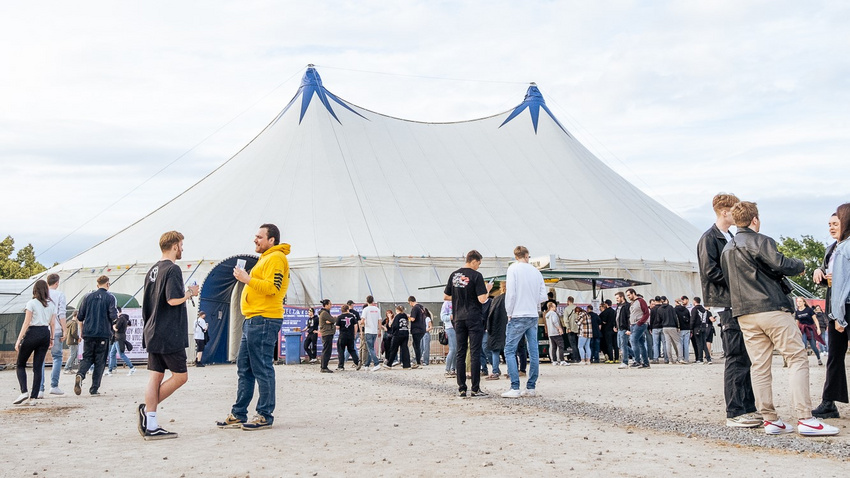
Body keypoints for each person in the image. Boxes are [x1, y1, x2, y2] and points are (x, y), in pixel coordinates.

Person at [721, 201, 837, 436]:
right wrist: (801, 265)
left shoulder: (727, 248)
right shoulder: (760, 240)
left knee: (760, 366)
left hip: (745, 313)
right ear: (755, 220)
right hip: (771, 308)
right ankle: (805, 418)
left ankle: (770, 419)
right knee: (796, 358)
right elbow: (780, 263)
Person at [216, 224, 290, 431]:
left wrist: (247, 279)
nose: (255, 240)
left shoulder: (276, 258)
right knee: (245, 369)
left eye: (259, 237)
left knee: (262, 367)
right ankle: (239, 413)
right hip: (254, 319)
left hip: (264, 319)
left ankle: (265, 415)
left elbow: (273, 288)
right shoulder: (266, 259)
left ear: (272, 240)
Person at [698, 193, 761, 429]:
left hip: (738, 302)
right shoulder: (709, 238)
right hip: (725, 303)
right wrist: (740, 281)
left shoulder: (730, 236)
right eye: (734, 210)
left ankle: (747, 407)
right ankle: (734, 411)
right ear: (724, 212)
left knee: (744, 357)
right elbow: (710, 271)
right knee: (735, 356)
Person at [138, 232, 198, 440]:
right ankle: (147, 411)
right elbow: (172, 300)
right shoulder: (173, 269)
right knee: (181, 376)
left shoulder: (152, 270)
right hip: (168, 331)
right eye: (181, 245)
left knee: (155, 375)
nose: (182, 249)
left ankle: (151, 423)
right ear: (174, 246)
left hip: (152, 329)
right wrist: (190, 293)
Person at [444, 250, 493, 398]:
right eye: (478, 263)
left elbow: (446, 296)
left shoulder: (454, 275)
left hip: (458, 318)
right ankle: (475, 388)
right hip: (473, 317)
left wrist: (459, 295)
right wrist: (488, 290)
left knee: (460, 351)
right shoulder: (476, 276)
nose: (478, 266)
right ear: (473, 261)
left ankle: (461, 388)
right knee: (475, 352)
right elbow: (482, 299)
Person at [814, 208, 848, 419]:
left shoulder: (847, 248)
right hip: (835, 307)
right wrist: (818, 270)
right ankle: (829, 402)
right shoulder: (832, 249)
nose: (831, 227)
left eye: (835, 223)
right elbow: (827, 270)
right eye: (829, 224)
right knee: (834, 356)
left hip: (846, 305)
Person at [501, 245, 546, 398]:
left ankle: (515, 387)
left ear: (516, 256)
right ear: (527, 256)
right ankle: (531, 387)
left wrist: (509, 312)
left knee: (509, 350)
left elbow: (511, 293)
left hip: (518, 313)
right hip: (532, 314)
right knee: (533, 352)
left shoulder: (513, 269)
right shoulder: (536, 272)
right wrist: (532, 301)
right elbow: (543, 296)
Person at [13, 280, 56, 405]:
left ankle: (24, 391)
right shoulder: (51, 305)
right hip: (45, 333)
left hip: (33, 332)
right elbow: (52, 323)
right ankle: (33, 397)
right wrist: (52, 338)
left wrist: (19, 340)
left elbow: (26, 323)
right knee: (38, 367)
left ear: (35, 290)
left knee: (20, 364)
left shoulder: (31, 303)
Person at [75, 275, 117, 397]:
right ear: (108, 284)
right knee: (100, 361)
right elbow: (113, 315)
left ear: (97, 285)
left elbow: (80, 317)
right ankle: (94, 388)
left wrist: (82, 331)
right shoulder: (110, 297)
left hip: (88, 333)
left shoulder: (87, 297)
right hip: (103, 333)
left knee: (87, 357)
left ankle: (80, 374)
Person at [43, 273, 67, 396]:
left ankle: (40, 388)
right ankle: (54, 385)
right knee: (57, 357)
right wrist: (65, 330)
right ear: (57, 283)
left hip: (42, 328)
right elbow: (61, 314)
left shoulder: (41, 294)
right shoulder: (60, 295)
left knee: (40, 359)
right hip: (56, 329)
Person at [486, 282, 508, 380]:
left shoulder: (497, 299)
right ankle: (511, 371)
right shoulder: (514, 300)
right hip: (509, 328)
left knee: (495, 351)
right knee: (510, 351)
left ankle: (495, 371)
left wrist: (489, 328)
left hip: (496, 329)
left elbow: (490, 316)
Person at [794, 298, 823, 365]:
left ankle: (819, 358)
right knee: (803, 344)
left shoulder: (809, 310)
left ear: (804, 302)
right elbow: (797, 322)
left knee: (813, 346)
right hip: (803, 330)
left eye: (800, 301)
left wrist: (818, 328)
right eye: (797, 301)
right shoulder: (797, 311)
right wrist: (796, 331)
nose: (798, 303)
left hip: (810, 329)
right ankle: (803, 360)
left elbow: (815, 320)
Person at [108, 308, 137, 375]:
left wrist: (113, 326)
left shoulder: (121, 319)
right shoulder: (124, 320)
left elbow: (116, 329)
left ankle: (132, 367)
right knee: (112, 354)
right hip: (117, 338)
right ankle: (110, 370)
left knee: (121, 354)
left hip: (118, 339)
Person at [626, 289, 650, 368]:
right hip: (633, 324)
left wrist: (640, 322)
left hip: (639, 324)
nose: (628, 297)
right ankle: (646, 363)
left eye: (629, 295)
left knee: (633, 340)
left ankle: (637, 361)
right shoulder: (632, 303)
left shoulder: (641, 301)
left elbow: (646, 312)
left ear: (633, 293)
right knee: (641, 343)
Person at [335, 304, 361, 371]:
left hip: (342, 336)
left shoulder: (340, 317)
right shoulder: (352, 316)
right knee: (351, 350)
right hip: (350, 336)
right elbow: (356, 325)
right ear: (347, 309)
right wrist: (354, 334)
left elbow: (337, 327)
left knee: (341, 351)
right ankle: (357, 362)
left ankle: (341, 366)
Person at [386, 305, 411, 369]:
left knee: (393, 349)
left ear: (397, 310)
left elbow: (394, 325)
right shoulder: (405, 316)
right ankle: (407, 364)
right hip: (405, 333)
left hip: (397, 334)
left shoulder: (397, 316)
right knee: (405, 349)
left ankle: (389, 364)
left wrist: (393, 332)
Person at [658, 296, 681, 364]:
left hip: (664, 327)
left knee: (668, 344)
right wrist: (678, 326)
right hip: (672, 326)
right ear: (666, 300)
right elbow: (675, 317)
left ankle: (670, 360)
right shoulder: (670, 307)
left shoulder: (659, 309)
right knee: (678, 342)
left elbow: (659, 319)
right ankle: (680, 358)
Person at [361, 296, 382, 370]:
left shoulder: (365, 309)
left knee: (370, 348)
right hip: (374, 331)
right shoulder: (377, 309)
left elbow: (362, 320)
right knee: (371, 348)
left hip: (368, 331)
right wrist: (379, 330)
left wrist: (361, 324)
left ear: (366, 301)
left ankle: (376, 363)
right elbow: (379, 321)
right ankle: (367, 364)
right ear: (373, 301)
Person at [691, 298, 712, 364]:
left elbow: (693, 320)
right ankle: (708, 359)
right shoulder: (704, 310)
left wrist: (691, 329)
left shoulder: (694, 309)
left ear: (694, 301)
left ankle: (700, 359)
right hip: (704, 327)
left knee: (699, 344)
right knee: (704, 344)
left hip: (697, 328)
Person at [317, 300, 336, 372]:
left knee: (326, 350)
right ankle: (324, 367)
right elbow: (333, 320)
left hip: (328, 333)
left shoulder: (325, 313)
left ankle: (324, 366)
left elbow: (331, 321)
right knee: (327, 351)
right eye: (330, 304)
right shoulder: (324, 313)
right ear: (326, 305)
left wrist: (331, 321)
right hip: (327, 333)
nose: (331, 305)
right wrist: (334, 319)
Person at [408, 296, 426, 369]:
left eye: (409, 303)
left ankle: (418, 361)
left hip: (416, 329)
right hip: (422, 328)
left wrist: (408, 317)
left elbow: (412, 319)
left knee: (416, 345)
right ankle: (418, 359)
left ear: (411, 302)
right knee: (416, 344)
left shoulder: (415, 308)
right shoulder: (421, 307)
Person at [615, 292, 631, 369]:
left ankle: (625, 362)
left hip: (624, 328)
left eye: (617, 298)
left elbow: (629, 318)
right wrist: (615, 326)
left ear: (622, 297)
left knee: (623, 345)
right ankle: (636, 356)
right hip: (619, 328)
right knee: (620, 345)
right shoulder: (618, 306)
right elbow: (617, 317)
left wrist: (628, 329)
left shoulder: (627, 306)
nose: (616, 300)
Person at [441, 300, 457, 377]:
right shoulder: (446, 303)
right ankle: (447, 369)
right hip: (450, 327)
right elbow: (442, 317)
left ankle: (453, 369)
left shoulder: (458, 300)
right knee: (453, 349)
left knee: (456, 349)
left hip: (458, 327)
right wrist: (451, 317)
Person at [562, 297, 579, 363]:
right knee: (578, 344)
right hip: (577, 329)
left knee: (573, 344)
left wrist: (568, 327)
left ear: (568, 301)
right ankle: (579, 357)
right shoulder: (577, 308)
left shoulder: (567, 309)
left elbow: (565, 320)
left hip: (570, 329)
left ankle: (575, 358)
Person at [675, 296, 692, 363]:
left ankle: (680, 358)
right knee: (686, 345)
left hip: (680, 329)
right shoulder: (686, 309)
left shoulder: (675, 310)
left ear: (677, 302)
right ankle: (686, 359)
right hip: (687, 328)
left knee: (680, 344)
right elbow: (689, 318)